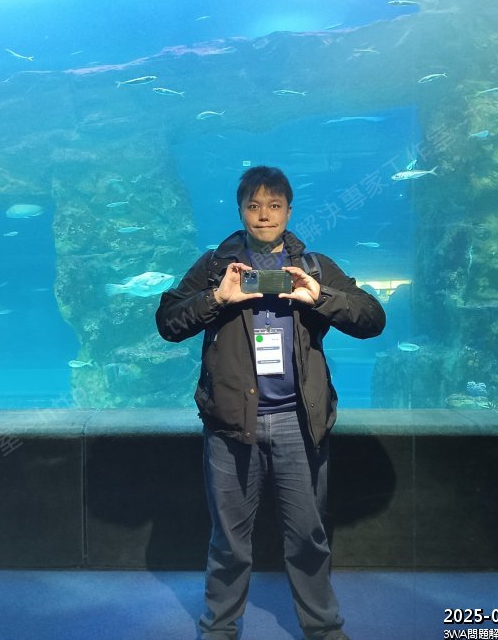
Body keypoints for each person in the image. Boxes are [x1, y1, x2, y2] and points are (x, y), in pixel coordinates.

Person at [155, 166, 386, 640]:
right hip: (230, 426)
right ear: (240, 210)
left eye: (274, 206)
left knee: (308, 537)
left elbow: (372, 318)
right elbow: (168, 322)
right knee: (228, 541)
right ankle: (219, 628)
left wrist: (320, 297)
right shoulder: (215, 267)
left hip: (299, 424)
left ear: (289, 211)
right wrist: (216, 298)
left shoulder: (315, 266)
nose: (264, 215)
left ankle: (323, 628)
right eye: (254, 206)